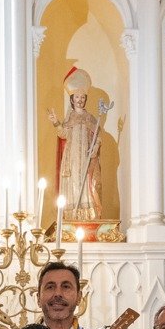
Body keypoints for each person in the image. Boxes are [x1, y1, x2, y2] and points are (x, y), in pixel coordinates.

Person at [48, 67, 103, 223]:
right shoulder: (69, 118)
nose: (80, 100)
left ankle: (88, 214)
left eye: (82, 97)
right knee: (73, 182)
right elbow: (63, 134)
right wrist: (56, 122)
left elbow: (98, 136)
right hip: (71, 159)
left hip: (86, 158)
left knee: (86, 182)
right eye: (77, 97)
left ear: (85, 99)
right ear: (72, 99)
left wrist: (95, 147)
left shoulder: (91, 118)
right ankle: (73, 215)